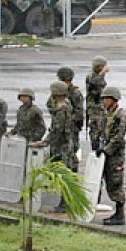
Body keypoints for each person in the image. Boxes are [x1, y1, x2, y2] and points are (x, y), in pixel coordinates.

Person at [42, 81, 76, 211]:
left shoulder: (62, 108)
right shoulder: (61, 105)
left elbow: (57, 128)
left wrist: (46, 141)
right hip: (61, 143)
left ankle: (65, 202)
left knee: (64, 174)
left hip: (63, 145)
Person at [99, 86, 126, 226]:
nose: (104, 101)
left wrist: (107, 150)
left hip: (115, 155)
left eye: (107, 99)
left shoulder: (120, 116)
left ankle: (120, 214)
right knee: (109, 182)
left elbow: (119, 137)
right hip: (108, 152)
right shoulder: (107, 114)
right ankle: (117, 213)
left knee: (116, 183)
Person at [85, 55, 109, 151]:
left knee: (100, 127)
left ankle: (99, 146)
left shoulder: (96, 75)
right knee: (96, 128)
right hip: (94, 107)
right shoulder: (92, 75)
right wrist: (102, 74)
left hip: (99, 106)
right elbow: (97, 82)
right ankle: (96, 147)